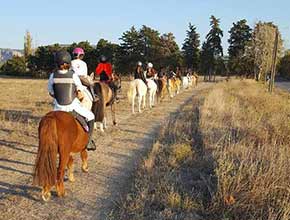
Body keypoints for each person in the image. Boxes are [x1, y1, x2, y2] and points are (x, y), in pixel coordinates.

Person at [48, 50, 96, 151]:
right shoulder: (73, 75)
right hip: (72, 106)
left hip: (57, 108)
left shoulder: (52, 76)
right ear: (68, 62)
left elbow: (51, 93)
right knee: (91, 116)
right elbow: (79, 92)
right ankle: (88, 142)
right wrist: (81, 98)